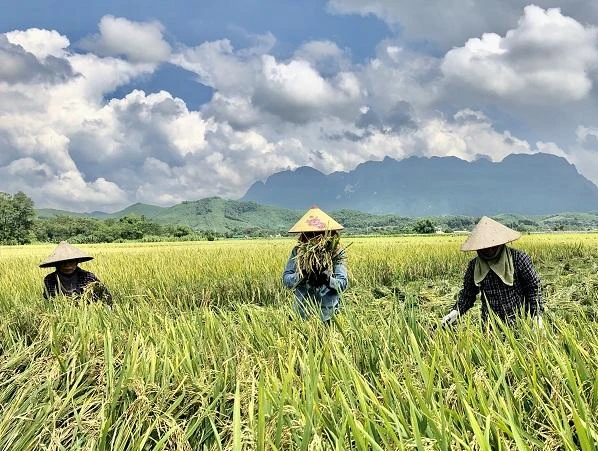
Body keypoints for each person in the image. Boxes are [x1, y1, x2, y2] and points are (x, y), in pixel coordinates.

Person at [441, 216, 543, 329]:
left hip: (521, 322)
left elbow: (533, 288)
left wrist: (537, 316)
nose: (489, 250)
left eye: (493, 246)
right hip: (490, 325)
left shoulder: (518, 259)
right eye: (484, 247)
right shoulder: (475, 266)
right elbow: (468, 294)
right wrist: (455, 312)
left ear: (500, 243)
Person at [282, 206, 348, 324]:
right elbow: (286, 280)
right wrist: (302, 274)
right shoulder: (298, 251)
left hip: (328, 315)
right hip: (302, 313)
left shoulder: (335, 252)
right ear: (305, 235)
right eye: (311, 234)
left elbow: (342, 283)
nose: (316, 238)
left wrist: (327, 279)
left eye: (320, 234)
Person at [40, 241, 112, 303]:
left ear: (77, 262)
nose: (67, 265)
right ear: (56, 264)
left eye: (71, 262)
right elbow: (50, 300)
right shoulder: (50, 279)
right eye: (63, 262)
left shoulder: (88, 277)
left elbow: (104, 296)